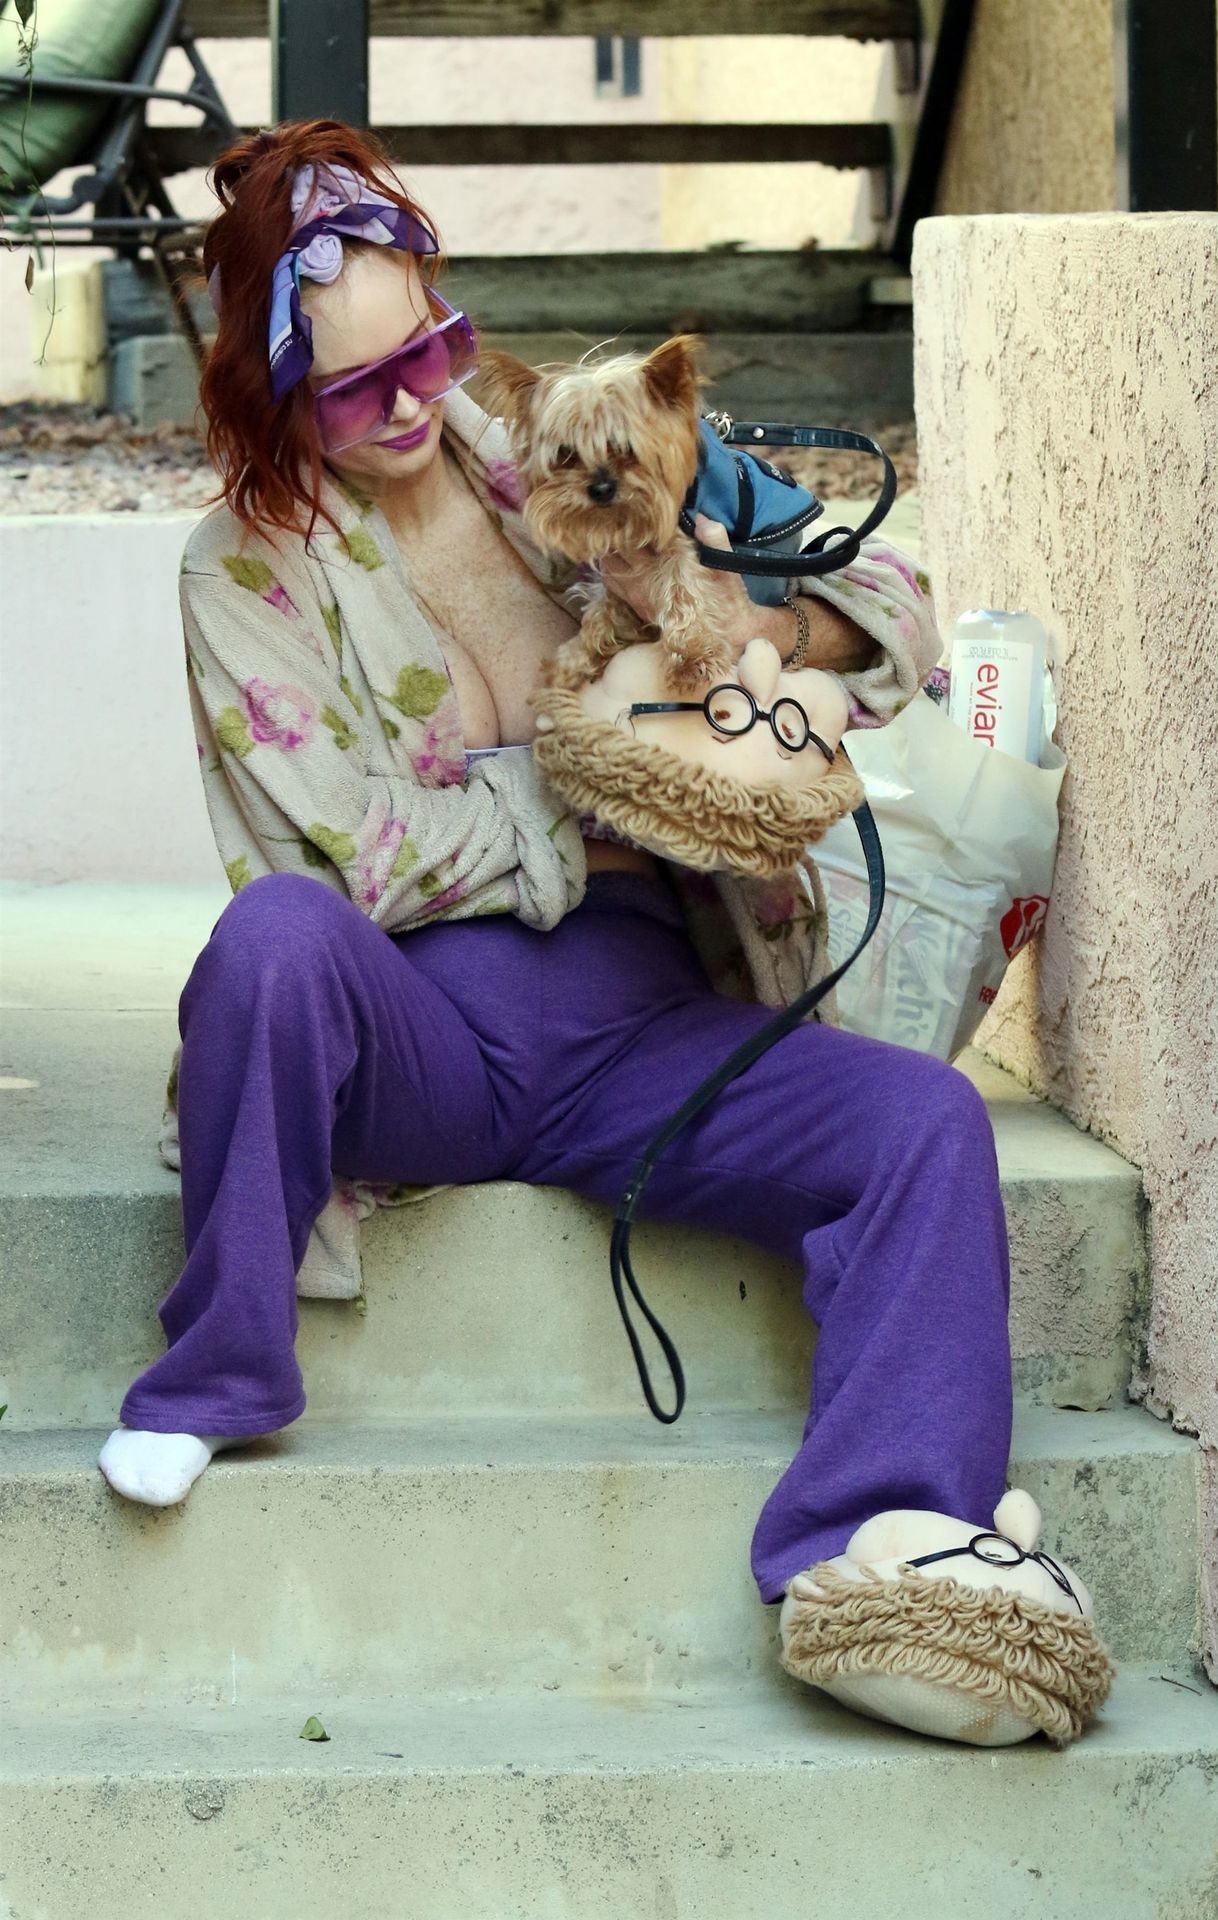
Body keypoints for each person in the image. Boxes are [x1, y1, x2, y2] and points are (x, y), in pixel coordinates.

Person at [98, 121, 1013, 1664]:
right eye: (356, 387)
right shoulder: (240, 572)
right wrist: (596, 787)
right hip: (419, 1048)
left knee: (928, 1126)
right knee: (270, 937)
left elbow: (891, 592)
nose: (411, 403)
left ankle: (874, 1546)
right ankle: (222, 1374)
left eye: (428, 349)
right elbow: (348, 854)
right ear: (272, 389)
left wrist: (770, 646)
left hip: (647, 1037)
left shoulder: (573, 441)